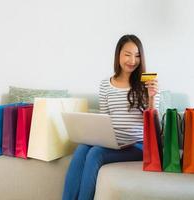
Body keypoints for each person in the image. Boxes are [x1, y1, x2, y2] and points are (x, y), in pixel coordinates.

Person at [62, 34, 159, 200]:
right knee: (82, 149)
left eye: (137, 55)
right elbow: (104, 119)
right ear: (118, 54)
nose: (132, 60)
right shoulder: (105, 84)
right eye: (127, 54)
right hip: (114, 144)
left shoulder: (147, 83)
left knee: (95, 154)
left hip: (138, 145)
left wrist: (151, 98)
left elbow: (155, 127)